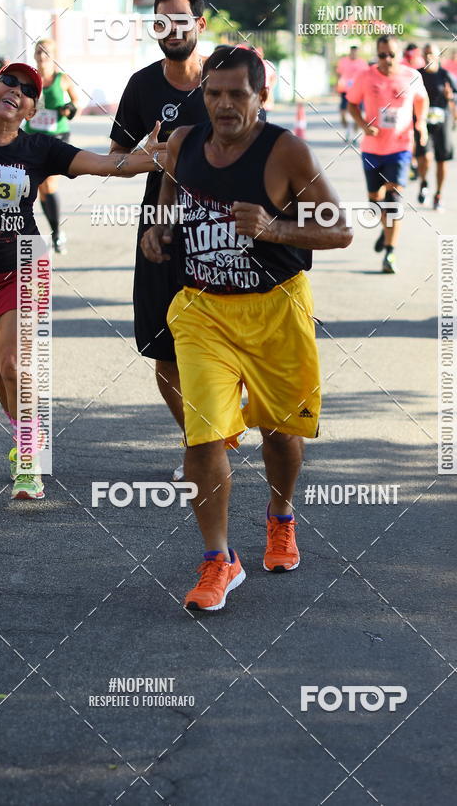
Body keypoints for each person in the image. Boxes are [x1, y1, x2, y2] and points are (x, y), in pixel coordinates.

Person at [141, 46, 353, 611]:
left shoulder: (288, 153)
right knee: (202, 432)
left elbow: (341, 231)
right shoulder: (183, 142)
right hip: (202, 310)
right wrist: (158, 232)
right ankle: (218, 559)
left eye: (238, 93)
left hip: (275, 309)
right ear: (203, 94)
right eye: (215, 93)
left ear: (262, 95)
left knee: (280, 433)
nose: (225, 104)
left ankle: (280, 516)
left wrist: (275, 228)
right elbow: (168, 194)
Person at [0, 63, 165, 500]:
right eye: (9, 82)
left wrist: (152, 155)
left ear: (31, 110)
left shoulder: (40, 149)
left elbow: (110, 165)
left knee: (14, 365)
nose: (17, 91)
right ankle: (24, 433)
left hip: (24, 264)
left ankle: (30, 459)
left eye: (28, 91)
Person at [109, 0, 208, 479]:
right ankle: (196, 441)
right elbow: (112, 160)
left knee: (226, 341)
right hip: (159, 233)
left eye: (181, 20)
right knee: (164, 346)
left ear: (200, 25)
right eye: (162, 21)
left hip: (220, 234)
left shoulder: (225, 81)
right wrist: (145, 158)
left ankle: (216, 426)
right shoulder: (141, 86)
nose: (171, 29)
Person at [347, 35, 428, 274]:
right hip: (372, 148)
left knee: (393, 203)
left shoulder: (412, 76)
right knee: (374, 201)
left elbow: (422, 100)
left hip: (401, 147)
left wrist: (420, 124)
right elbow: (352, 103)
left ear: (399, 54)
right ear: (377, 54)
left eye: (392, 54)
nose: (387, 59)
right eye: (382, 55)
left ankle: (390, 253)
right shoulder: (365, 76)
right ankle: (386, 230)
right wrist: (363, 124)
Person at [24, 39, 80, 254]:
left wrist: (69, 108)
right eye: (39, 51)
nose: (42, 55)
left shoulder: (62, 79)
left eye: (46, 52)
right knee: (41, 188)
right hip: (32, 137)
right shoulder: (29, 80)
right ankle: (55, 232)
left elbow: (77, 104)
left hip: (57, 136)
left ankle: (56, 234)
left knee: (48, 183)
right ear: (35, 55)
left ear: (53, 56)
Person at [415, 43, 457, 211]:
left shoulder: (445, 75)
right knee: (424, 157)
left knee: (441, 160)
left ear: (438, 56)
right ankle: (423, 182)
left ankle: (438, 194)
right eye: (425, 54)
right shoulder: (417, 75)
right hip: (422, 121)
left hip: (442, 122)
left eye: (431, 54)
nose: (427, 57)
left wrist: (451, 96)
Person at [336, 45, 367, 142]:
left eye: (355, 52)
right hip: (345, 91)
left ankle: (354, 135)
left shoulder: (362, 63)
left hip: (358, 91)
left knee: (358, 114)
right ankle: (347, 130)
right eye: (352, 51)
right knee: (343, 114)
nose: (354, 53)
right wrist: (337, 85)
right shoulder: (343, 61)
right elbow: (338, 73)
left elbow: (366, 76)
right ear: (350, 51)